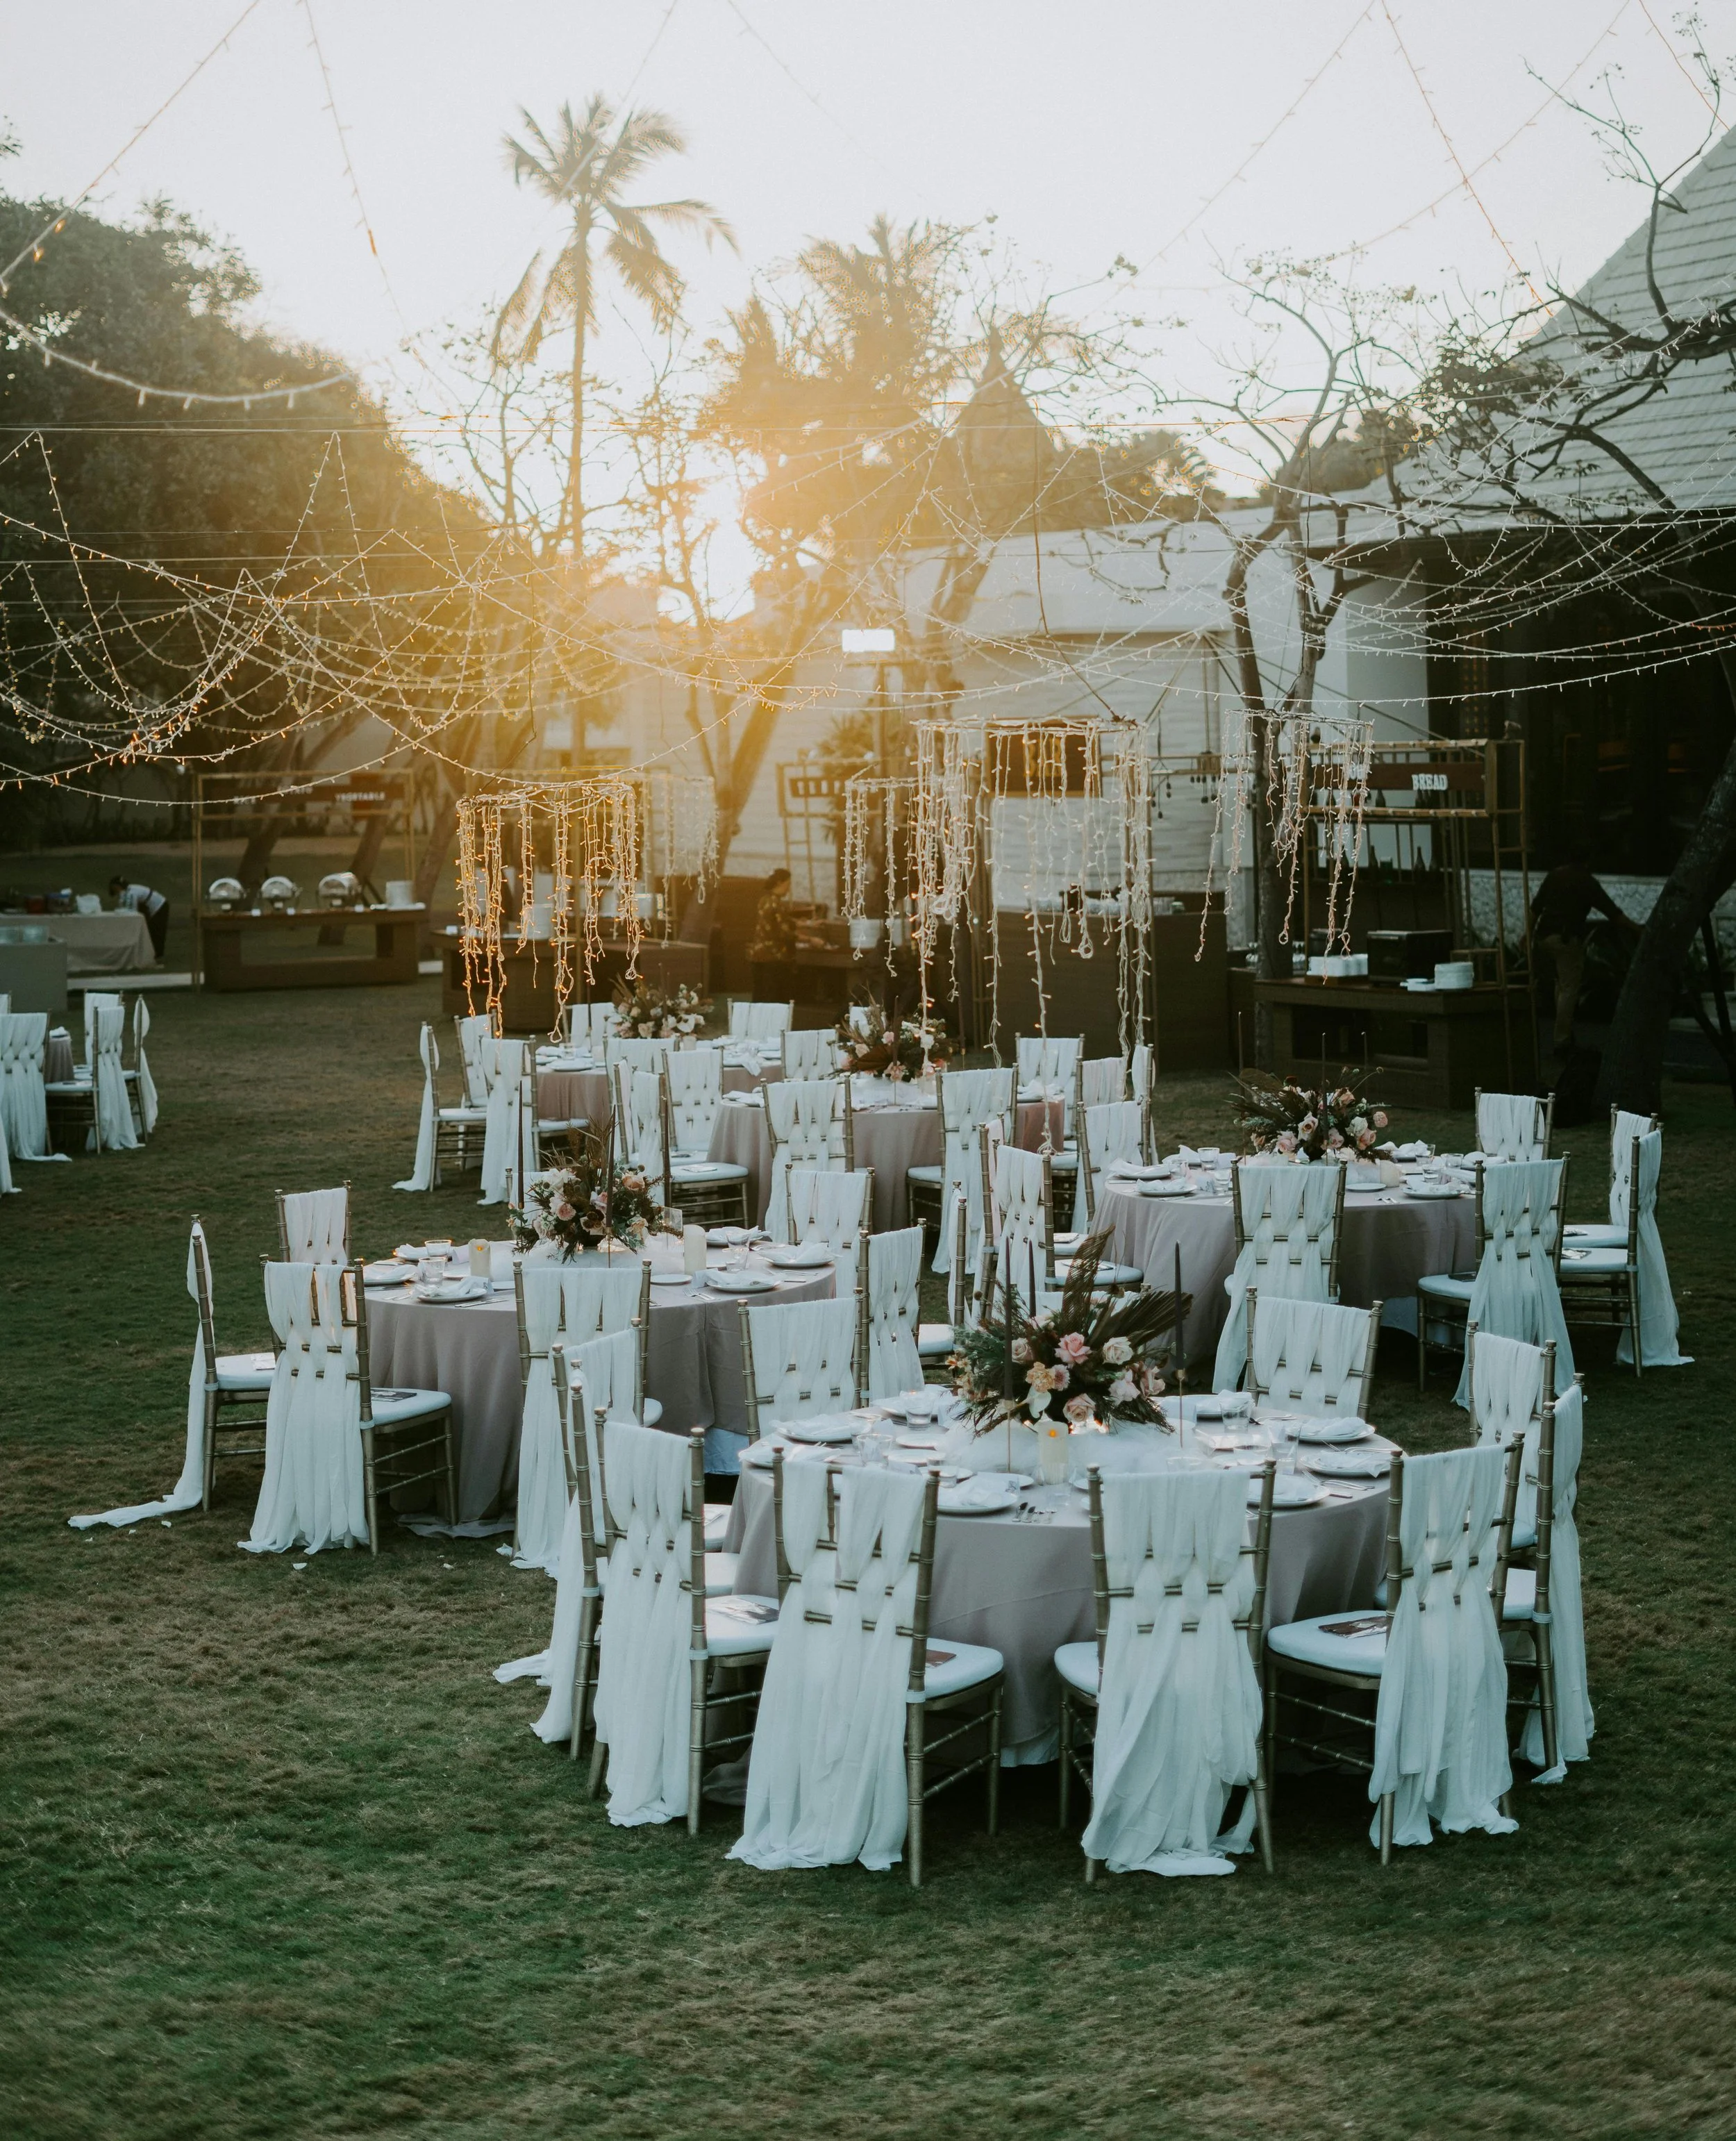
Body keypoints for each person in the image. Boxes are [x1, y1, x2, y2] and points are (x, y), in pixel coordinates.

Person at [1530, 851, 1641, 1054]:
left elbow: (1535, 908)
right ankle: (1561, 1041)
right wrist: (1638, 929)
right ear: (1588, 861)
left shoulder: (1555, 875)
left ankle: (1563, 1034)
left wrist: (1527, 935)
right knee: (1569, 988)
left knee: (1561, 985)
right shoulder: (1587, 882)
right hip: (1566, 939)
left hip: (1544, 937)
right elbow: (1614, 914)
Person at [110, 876, 169, 963]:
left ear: (118, 886)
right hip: (154, 906)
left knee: (156, 931)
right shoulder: (129, 890)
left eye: (115, 888)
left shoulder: (131, 892)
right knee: (152, 930)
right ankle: (153, 953)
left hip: (160, 906)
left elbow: (132, 910)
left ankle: (156, 955)